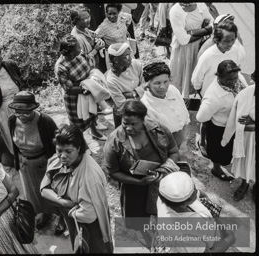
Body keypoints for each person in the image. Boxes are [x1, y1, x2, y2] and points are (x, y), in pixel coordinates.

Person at [103, 100, 179, 247]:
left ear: (143, 120)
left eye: (134, 124)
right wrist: (139, 182)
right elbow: (112, 172)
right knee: (140, 220)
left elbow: (174, 151)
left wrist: (165, 169)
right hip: (135, 188)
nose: (129, 128)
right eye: (125, 123)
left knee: (164, 214)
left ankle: (165, 238)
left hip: (162, 182)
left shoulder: (160, 130)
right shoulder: (114, 141)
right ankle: (149, 241)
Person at [40, 125, 113, 253]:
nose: (62, 156)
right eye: (59, 150)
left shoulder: (90, 177)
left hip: (90, 225)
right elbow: (43, 189)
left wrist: (61, 204)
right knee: (79, 246)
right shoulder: (58, 161)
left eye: (68, 151)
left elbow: (88, 216)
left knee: (94, 248)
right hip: (73, 217)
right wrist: (64, 203)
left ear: (79, 148)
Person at [8, 91, 62, 232]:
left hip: (46, 163)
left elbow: (58, 145)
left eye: (26, 112)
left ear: (33, 109)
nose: (21, 115)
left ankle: (62, 216)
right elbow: (14, 145)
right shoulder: (12, 120)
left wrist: (54, 165)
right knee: (36, 194)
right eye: (18, 112)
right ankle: (45, 212)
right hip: (26, 164)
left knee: (54, 190)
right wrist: (19, 160)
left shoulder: (45, 121)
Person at [156, 172, 235, 253]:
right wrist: (229, 240)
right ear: (183, 205)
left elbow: (199, 193)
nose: (196, 190)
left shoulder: (166, 196)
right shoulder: (181, 234)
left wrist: (208, 206)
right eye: (193, 190)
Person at [196, 60, 247, 181]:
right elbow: (201, 117)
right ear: (219, 76)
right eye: (229, 79)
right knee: (217, 152)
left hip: (234, 124)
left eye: (235, 78)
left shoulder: (237, 80)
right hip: (219, 128)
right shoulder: (213, 97)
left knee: (228, 149)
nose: (233, 82)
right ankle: (216, 168)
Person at [55, 34, 108, 141]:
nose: (81, 49)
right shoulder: (61, 67)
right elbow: (69, 88)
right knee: (78, 122)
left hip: (88, 88)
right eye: (78, 47)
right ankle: (81, 143)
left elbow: (89, 63)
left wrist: (93, 81)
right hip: (74, 96)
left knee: (91, 113)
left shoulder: (80, 54)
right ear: (70, 52)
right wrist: (86, 90)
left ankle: (94, 132)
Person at [221, 71, 255, 201]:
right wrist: (226, 138)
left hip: (251, 131)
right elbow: (234, 119)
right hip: (247, 137)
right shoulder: (244, 95)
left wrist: (252, 121)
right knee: (246, 159)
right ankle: (244, 183)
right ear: (253, 78)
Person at [169, 2, 214, 98]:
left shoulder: (201, 5)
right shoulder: (175, 11)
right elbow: (183, 40)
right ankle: (183, 100)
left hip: (199, 46)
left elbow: (213, 24)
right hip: (183, 51)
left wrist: (192, 32)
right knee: (182, 78)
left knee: (198, 74)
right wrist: (205, 30)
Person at [140, 62, 190, 147]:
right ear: (148, 84)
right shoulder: (146, 106)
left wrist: (184, 140)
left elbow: (185, 116)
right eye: (157, 83)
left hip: (180, 138)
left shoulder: (172, 90)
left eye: (166, 81)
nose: (162, 87)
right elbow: (155, 137)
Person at [192, 19, 246, 96]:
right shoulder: (208, 55)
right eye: (226, 41)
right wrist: (200, 91)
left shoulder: (235, 50)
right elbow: (196, 78)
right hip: (211, 95)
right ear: (217, 40)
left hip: (230, 93)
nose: (230, 44)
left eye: (232, 40)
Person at [105, 42, 145, 128]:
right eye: (126, 56)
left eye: (130, 54)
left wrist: (132, 94)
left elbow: (145, 83)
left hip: (143, 104)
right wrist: (140, 92)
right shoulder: (111, 80)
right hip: (125, 113)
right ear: (116, 60)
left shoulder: (136, 64)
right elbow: (122, 104)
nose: (130, 58)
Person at [95, 3, 133, 70]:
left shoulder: (121, 16)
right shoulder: (103, 27)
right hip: (115, 57)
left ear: (118, 12)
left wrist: (125, 30)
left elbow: (129, 17)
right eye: (109, 14)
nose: (112, 16)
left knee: (131, 70)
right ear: (106, 14)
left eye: (114, 13)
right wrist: (102, 45)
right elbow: (94, 37)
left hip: (126, 50)